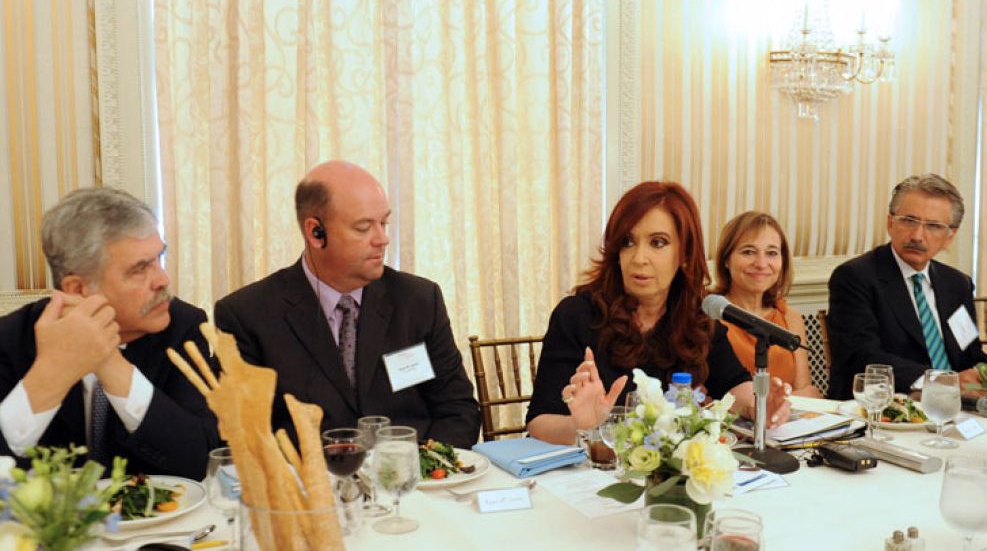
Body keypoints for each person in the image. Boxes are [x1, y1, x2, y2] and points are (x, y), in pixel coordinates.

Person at [214, 160, 480, 448]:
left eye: (384, 223)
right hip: (309, 486)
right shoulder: (247, 315)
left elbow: (458, 411)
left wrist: (423, 470)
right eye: (364, 227)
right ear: (316, 232)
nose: (382, 239)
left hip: (412, 482)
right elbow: (241, 436)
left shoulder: (418, 300)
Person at [526, 182, 791, 445]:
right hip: (593, 473)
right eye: (628, 242)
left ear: (685, 253)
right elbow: (539, 423)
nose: (639, 258)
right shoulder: (577, 314)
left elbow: (734, 384)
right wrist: (586, 425)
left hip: (670, 476)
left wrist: (759, 406)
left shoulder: (696, 316)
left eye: (658, 243)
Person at [0, 187, 219, 479]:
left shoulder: (183, 327)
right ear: (78, 289)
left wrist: (108, 360)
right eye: (140, 269)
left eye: (159, 258)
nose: (163, 280)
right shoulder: (10, 340)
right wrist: (50, 372)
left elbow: (199, 460)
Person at [828, 174, 987, 399]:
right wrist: (939, 382)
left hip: (958, 410)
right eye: (909, 221)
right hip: (883, 410)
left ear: (950, 236)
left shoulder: (957, 284)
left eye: (933, 226)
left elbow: (970, 355)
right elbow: (862, 356)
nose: (918, 236)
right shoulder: (855, 277)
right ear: (890, 223)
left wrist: (979, 374)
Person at [711, 212, 822, 397]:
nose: (761, 264)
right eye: (748, 252)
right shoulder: (709, 315)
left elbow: (807, 392)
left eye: (771, 253)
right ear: (726, 260)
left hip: (785, 423)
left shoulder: (789, 317)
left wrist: (776, 409)